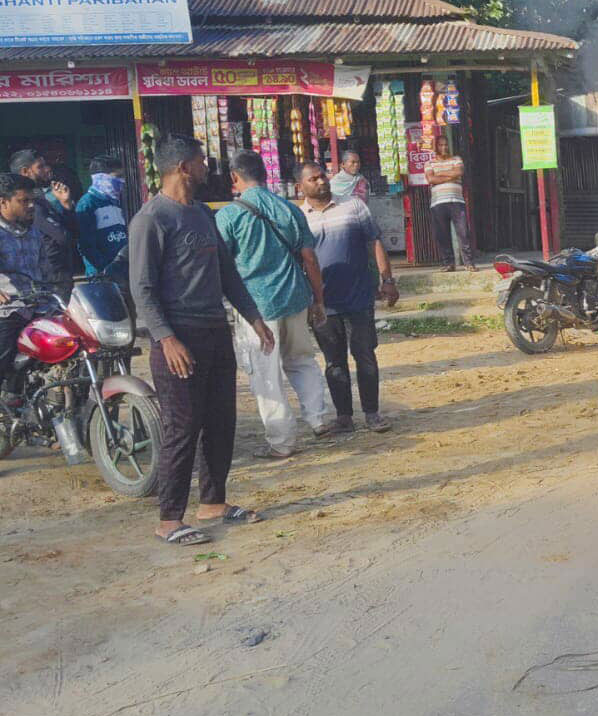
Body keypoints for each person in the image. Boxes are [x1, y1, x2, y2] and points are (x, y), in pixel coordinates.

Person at [129, 134, 275, 546]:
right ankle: (169, 519)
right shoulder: (151, 219)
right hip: (179, 338)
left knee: (221, 420)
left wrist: (253, 316)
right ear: (182, 168)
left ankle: (213, 503)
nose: (207, 168)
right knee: (182, 427)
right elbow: (142, 288)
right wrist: (166, 339)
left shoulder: (203, 214)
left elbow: (227, 273)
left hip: (215, 330)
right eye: (201, 162)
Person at [216, 151, 334, 458]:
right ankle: (318, 418)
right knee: (302, 359)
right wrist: (318, 299)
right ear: (266, 174)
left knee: (266, 375)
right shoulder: (289, 209)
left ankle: (282, 442)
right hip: (295, 297)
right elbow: (309, 258)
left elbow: (220, 265)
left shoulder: (228, 216)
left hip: (255, 308)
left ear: (234, 177)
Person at [299, 162, 399, 433]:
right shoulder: (298, 217)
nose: (321, 182)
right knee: (334, 362)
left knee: (365, 354)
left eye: (323, 176)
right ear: (301, 186)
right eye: (313, 179)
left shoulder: (354, 206)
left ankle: (372, 414)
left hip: (359, 297)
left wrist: (387, 279)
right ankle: (344, 416)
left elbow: (374, 241)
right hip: (322, 303)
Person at [0, 172, 46, 407]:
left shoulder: (34, 231)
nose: (30, 205)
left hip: (39, 307)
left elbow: (46, 268)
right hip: (8, 312)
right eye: (23, 200)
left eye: (32, 200)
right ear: (3, 202)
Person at [10, 150, 76, 298]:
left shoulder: (42, 200)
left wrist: (66, 205)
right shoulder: (30, 207)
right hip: (50, 278)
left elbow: (72, 232)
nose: (47, 169)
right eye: (40, 166)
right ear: (25, 171)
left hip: (59, 275)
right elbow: (62, 237)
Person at [424, 136, 476, 271]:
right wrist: (450, 175)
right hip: (438, 203)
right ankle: (448, 263)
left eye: (446, 145)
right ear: (436, 147)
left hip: (457, 201)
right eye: (441, 145)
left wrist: (439, 175)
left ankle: (468, 263)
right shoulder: (429, 163)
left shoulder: (456, 159)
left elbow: (459, 171)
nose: (444, 148)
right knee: (442, 235)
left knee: (463, 232)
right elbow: (430, 178)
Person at [77, 153, 131, 283]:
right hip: (102, 277)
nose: (122, 182)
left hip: (122, 273)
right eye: (117, 177)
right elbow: (86, 246)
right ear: (100, 178)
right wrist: (105, 269)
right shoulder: (87, 204)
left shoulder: (115, 202)